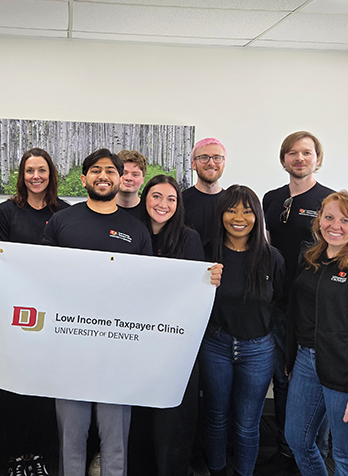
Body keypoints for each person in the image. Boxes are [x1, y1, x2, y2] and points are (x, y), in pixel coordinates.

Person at [0, 148, 153, 476]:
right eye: (96, 170)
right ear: (83, 178)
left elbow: (148, 288)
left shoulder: (136, 229)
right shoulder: (62, 221)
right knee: (70, 437)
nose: (103, 176)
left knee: (115, 440)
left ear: (121, 179)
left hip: (116, 349)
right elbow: (40, 276)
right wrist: (0, 260)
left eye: (110, 171)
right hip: (68, 348)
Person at [127, 174, 221, 476]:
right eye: (156, 196)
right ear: (145, 198)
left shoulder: (188, 237)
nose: (163, 204)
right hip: (134, 340)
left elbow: (193, 291)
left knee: (174, 418)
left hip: (175, 342)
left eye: (171, 198)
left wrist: (210, 280)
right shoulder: (130, 233)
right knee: (138, 413)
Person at [285, 191, 348, 476]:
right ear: (319, 220)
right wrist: (291, 360)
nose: (334, 225)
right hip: (305, 362)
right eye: (328, 217)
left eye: (345, 219)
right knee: (297, 441)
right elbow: (295, 311)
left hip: (346, 373)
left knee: (346, 457)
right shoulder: (311, 258)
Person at [259, 131, 334, 475]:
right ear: (283, 159)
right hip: (278, 304)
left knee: (317, 379)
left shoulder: (331, 201)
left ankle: (318, 451)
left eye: (306, 153)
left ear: (317, 158)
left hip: (315, 309)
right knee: (283, 378)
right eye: (293, 153)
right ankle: (289, 449)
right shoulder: (272, 199)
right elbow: (266, 248)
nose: (299, 159)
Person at [0, 148, 69, 475]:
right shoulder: (7, 211)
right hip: (18, 312)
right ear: (21, 176)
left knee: (46, 388)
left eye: (41, 170)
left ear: (51, 174)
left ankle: (41, 458)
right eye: (29, 171)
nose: (35, 176)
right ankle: (15, 457)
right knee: (14, 387)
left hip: (55, 313)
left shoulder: (65, 212)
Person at [200, 185, 284, 476]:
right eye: (231, 210)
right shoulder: (206, 251)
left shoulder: (272, 257)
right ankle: (217, 470)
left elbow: (280, 302)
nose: (239, 217)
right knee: (216, 416)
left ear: (257, 216)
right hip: (215, 345)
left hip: (258, 349)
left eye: (247, 211)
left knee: (248, 422)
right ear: (221, 214)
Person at [182, 138, 226, 245]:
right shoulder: (180, 201)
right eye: (204, 158)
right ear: (193, 164)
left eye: (217, 158)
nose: (211, 163)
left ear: (224, 163)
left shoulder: (231, 202)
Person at [116, 150, 147, 220]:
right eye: (124, 173)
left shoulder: (149, 212)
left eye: (135, 174)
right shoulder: (103, 209)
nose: (128, 178)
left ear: (143, 179)